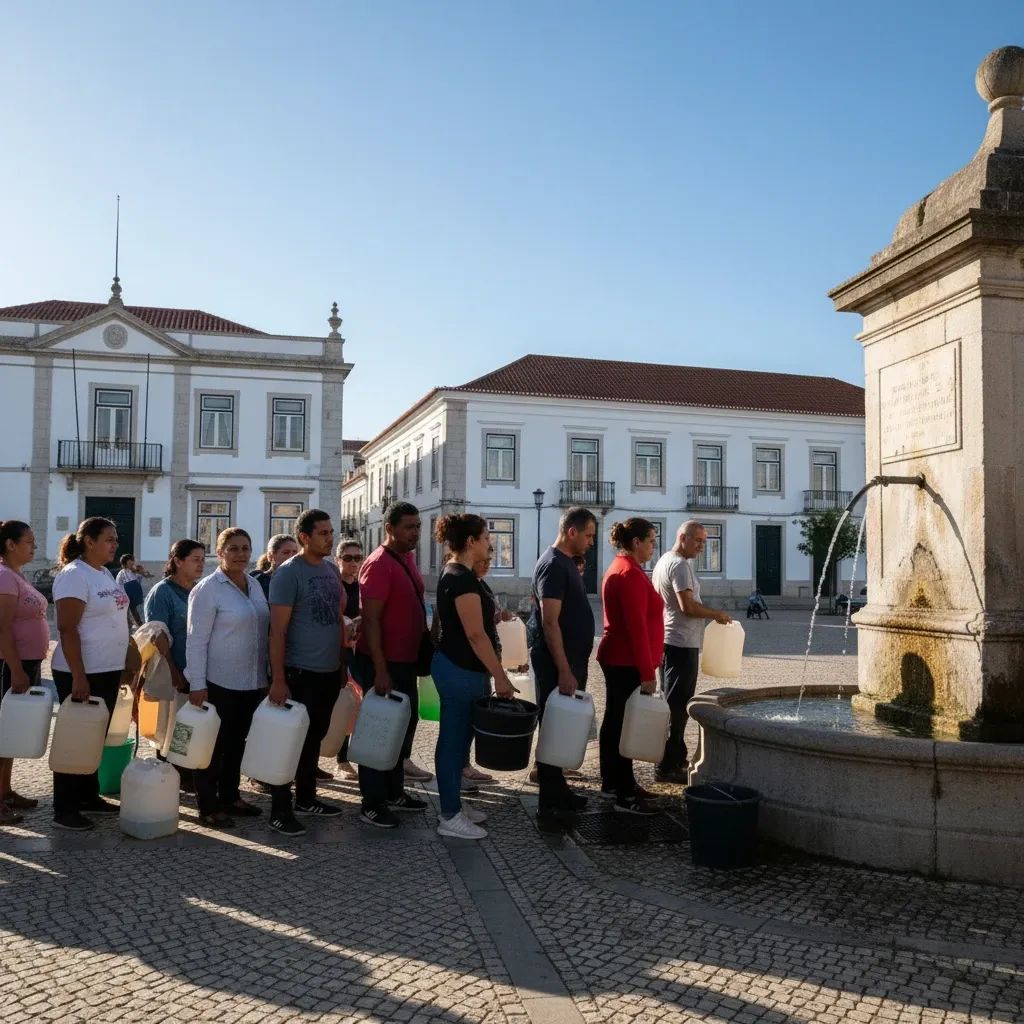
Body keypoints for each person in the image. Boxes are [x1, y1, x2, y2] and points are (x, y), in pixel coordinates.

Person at [431, 515, 514, 839]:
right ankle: (449, 815)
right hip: (459, 668)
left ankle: (454, 805)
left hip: (463, 668)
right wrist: (501, 677)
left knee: (460, 740)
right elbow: (475, 635)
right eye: (485, 537)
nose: (488, 542)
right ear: (470, 542)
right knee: (452, 742)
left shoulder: (462, 576)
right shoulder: (460, 578)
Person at [267, 510, 346, 836]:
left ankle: (307, 797)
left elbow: (338, 619)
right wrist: (279, 678)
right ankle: (279, 808)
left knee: (314, 737)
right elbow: (277, 631)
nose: (330, 538)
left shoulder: (330, 569)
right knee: (291, 740)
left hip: (328, 669)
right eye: (323, 533)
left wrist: (341, 663)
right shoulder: (288, 574)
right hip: (300, 671)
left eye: (331, 532)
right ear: (304, 537)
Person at [351, 501, 429, 829]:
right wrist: (381, 669)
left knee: (403, 726)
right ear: (390, 529)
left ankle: (395, 791)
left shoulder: (406, 558)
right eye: (409, 527)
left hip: (405, 661)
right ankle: (371, 801)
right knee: (379, 731)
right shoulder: (378, 563)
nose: (415, 533)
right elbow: (370, 620)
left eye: (417, 527)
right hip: (382, 663)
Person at [185, 527, 269, 829]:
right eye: (233, 548)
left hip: (251, 680)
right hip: (218, 681)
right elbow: (195, 639)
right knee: (212, 746)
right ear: (219, 553)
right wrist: (197, 684)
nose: (241, 554)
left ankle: (231, 796)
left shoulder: (254, 585)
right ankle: (207, 805)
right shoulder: (208, 589)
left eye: (245, 548)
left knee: (237, 743)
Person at [50, 517, 130, 831]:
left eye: (115, 538)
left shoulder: (104, 573)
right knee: (76, 737)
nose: (115, 545)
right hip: (82, 671)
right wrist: (79, 675)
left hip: (107, 668)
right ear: (89, 542)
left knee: (95, 736)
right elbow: (67, 629)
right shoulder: (73, 576)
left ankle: (86, 794)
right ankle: (64, 808)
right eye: (109, 539)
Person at [528, 507, 598, 825]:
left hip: (570, 661)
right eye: (588, 535)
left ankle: (560, 791)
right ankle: (549, 803)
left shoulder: (566, 563)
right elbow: (550, 622)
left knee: (561, 726)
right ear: (572, 532)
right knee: (553, 726)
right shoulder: (553, 565)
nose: (591, 542)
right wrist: (565, 669)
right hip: (557, 663)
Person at [652, 521, 732, 782]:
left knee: (670, 700)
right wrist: (715, 614)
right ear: (682, 537)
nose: (701, 546)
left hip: (668, 640)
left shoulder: (664, 560)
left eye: (704, 541)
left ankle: (673, 757)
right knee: (677, 705)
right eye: (697, 540)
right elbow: (688, 607)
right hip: (681, 642)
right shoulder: (680, 566)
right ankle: (668, 765)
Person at [596, 517, 665, 815]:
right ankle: (623, 793)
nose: (653, 545)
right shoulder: (629, 575)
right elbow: (636, 628)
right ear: (635, 542)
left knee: (616, 722)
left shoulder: (626, 569)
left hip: (620, 658)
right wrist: (648, 673)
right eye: (650, 540)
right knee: (623, 726)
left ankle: (616, 783)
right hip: (626, 660)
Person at [144, 539, 207, 791]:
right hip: (173, 669)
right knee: (169, 725)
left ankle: (188, 770)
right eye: (195, 559)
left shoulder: (198, 590)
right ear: (178, 561)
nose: (201, 564)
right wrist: (173, 670)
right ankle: (171, 776)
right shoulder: (162, 591)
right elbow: (157, 634)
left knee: (188, 724)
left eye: (203, 559)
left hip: (195, 669)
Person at [0, 520, 49, 825]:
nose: (33, 546)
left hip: (25, 664)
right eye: (29, 542)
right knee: (2, 733)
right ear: (10, 544)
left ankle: (5, 790)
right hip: (10, 665)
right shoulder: (4, 577)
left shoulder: (15, 575)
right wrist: (16, 669)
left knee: (12, 734)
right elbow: (3, 627)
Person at [333, 538, 363, 780]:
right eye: (348, 558)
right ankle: (340, 759)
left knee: (358, 703)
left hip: (359, 650)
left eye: (357, 558)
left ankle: (352, 754)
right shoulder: (334, 586)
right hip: (338, 651)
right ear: (338, 560)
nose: (354, 563)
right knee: (343, 703)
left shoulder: (363, 585)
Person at [251, 534, 300, 600]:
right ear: (270, 556)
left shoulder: (300, 581)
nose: (292, 557)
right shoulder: (257, 581)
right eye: (286, 552)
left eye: (295, 552)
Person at [116, 554, 146, 627]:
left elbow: (139, 580)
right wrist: (121, 595)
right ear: (125, 563)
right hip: (125, 594)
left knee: (134, 610)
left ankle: (139, 624)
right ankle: (128, 625)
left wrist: (141, 572)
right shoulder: (121, 573)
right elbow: (118, 584)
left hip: (134, 595)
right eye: (129, 561)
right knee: (126, 610)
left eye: (132, 561)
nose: (132, 563)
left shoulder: (134, 572)